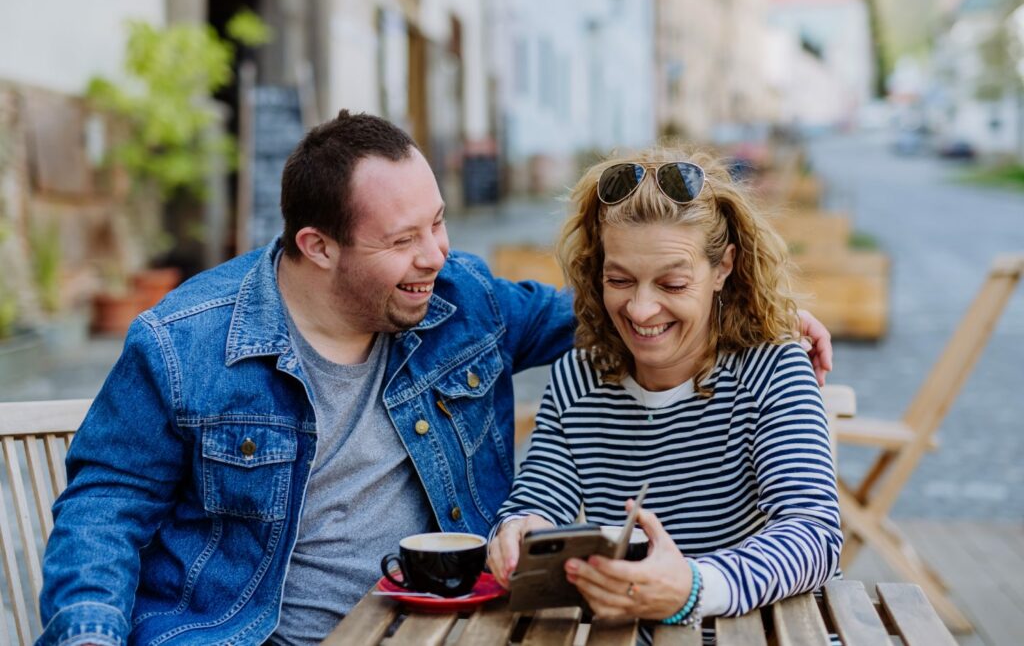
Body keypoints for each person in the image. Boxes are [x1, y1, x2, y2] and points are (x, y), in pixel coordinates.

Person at [38, 113, 832, 646]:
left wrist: (766, 316)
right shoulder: (187, 344)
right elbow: (103, 511)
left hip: (442, 630)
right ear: (318, 246)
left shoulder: (464, 300)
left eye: (441, 221)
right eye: (405, 238)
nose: (439, 255)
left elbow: (616, 306)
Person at [488, 148, 842, 635]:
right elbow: (538, 499)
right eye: (619, 280)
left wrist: (692, 587)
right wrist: (518, 532)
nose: (640, 309)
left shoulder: (771, 367)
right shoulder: (577, 378)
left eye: (672, 284)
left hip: (756, 629)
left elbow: (813, 533)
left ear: (723, 268)